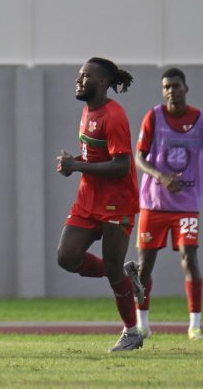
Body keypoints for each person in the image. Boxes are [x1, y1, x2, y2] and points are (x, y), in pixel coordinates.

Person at [56, 57, 145, 352]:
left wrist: (77, 167)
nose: (79, 81)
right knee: (67, 257)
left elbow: (121, 166)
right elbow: (97, 158)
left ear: (103, 82)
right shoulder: (87, 110)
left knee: (112, 267)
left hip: (116, 204)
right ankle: (123, 270)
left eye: (86, 77)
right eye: (79, 76)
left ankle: (132, 332)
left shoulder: (114, 116)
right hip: (88, 200)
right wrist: (75, 164)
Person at [130, 67, 202, 340]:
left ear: (185, 87)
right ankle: (142, 323)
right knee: (144, 265)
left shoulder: (198, 119)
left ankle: (195, 324)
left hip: (186, 204)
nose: (171, 90)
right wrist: (160, 175)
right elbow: (139, 158)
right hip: (154, 204)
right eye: (166, 87)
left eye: (175, 85)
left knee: (189, 258)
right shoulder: (153, 117)